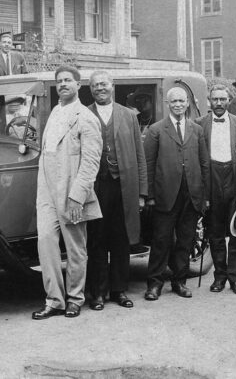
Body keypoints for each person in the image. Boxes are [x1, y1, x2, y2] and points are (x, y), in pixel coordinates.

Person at [31, 66, 101, 319]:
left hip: (71, 191)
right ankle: (54, 300)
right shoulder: (54, 113)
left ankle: (75, 298)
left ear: (78, 85)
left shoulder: (86, 117)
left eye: (68, 80)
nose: (63, 84)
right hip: (47, 190)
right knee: (46, 242)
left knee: (75, 247)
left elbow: (91, 162)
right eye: (59, 81)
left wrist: (77, 196)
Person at [83, 71, 147, 310]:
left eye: (104, 84)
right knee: (96, 240)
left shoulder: (129, 115)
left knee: (121, 240)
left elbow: (140, 156)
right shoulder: (83, 114)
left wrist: (142, 192)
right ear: (90, 90)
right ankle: (98, 293)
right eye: (95, 85)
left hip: (124, 185)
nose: (100, 88)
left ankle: (119, 290)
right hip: (95, 186)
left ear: (112, 86)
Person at [143, 86, 209, 301]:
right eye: (174, 102)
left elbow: (204, 163)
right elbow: (149, 165)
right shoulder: (156, 130)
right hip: (165, 195)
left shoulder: (196, 130)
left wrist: (204, 195)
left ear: (188, 103)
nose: (178, 105)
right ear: (167, 104)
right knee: (161, 240)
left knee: (185, 240)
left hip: (191, 194)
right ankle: (154, 284)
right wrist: (149, 195)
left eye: (182, 101)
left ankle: (179, 281)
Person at [198, 84, 236, 295]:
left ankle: (235, 278)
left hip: (235, 182)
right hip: (211, 181)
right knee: (214, 234)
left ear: (228, 101)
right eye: (215, 99)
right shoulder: (199, 124)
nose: (219, 103)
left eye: (223, 99)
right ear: (209, 101)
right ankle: (220, 276)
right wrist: (202, 195)